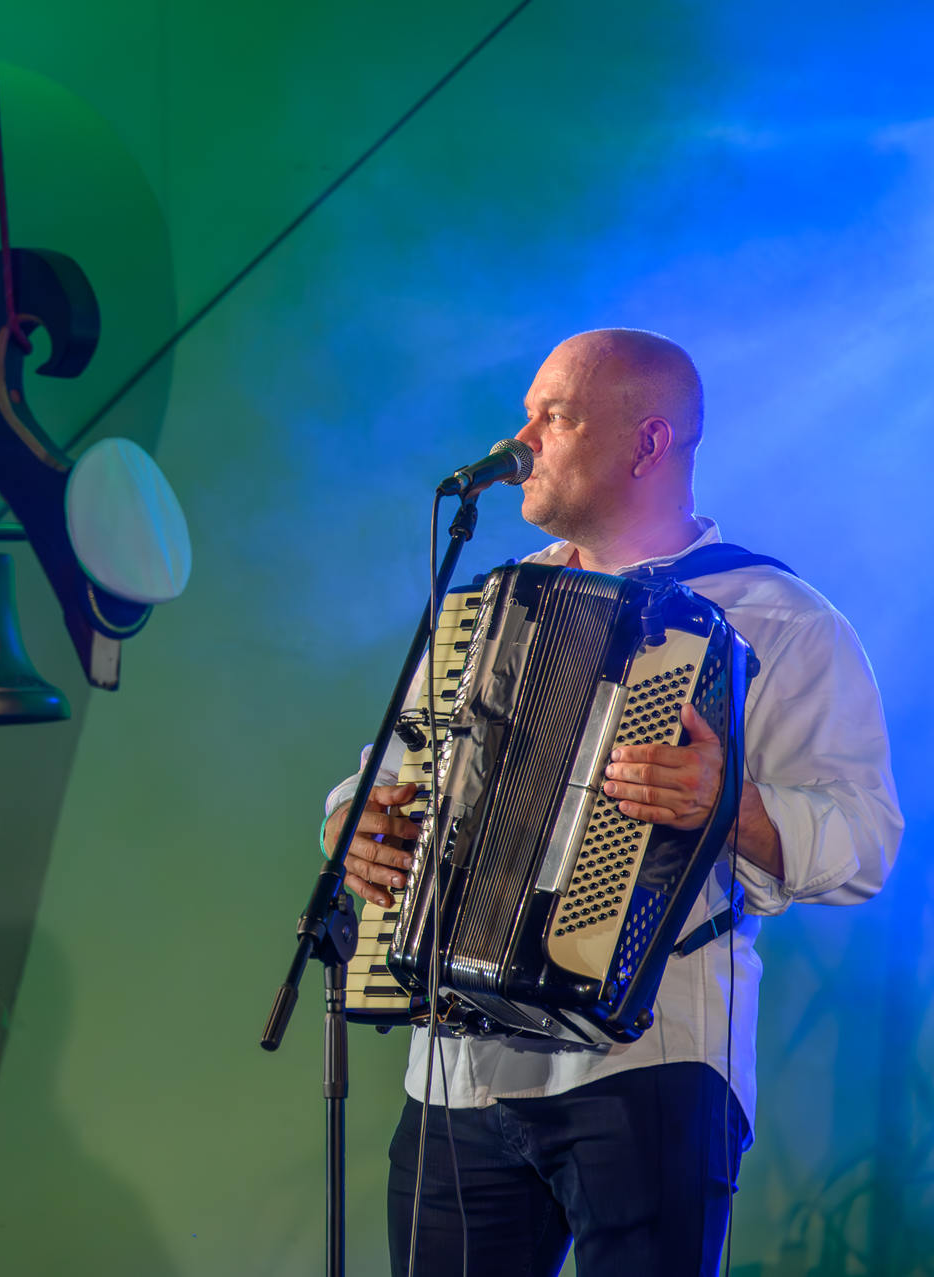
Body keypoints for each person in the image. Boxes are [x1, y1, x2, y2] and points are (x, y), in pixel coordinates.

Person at [325, 329, 900, 1276]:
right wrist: (355, 825)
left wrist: (730, 804)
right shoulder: (489, 608)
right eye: (527, 415)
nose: (520, 441)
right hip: (458, 1071)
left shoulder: (780, 616)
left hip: (650, 1060)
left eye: (554, 417)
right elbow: (384, 770)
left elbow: (866, 841)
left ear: (648, 442)